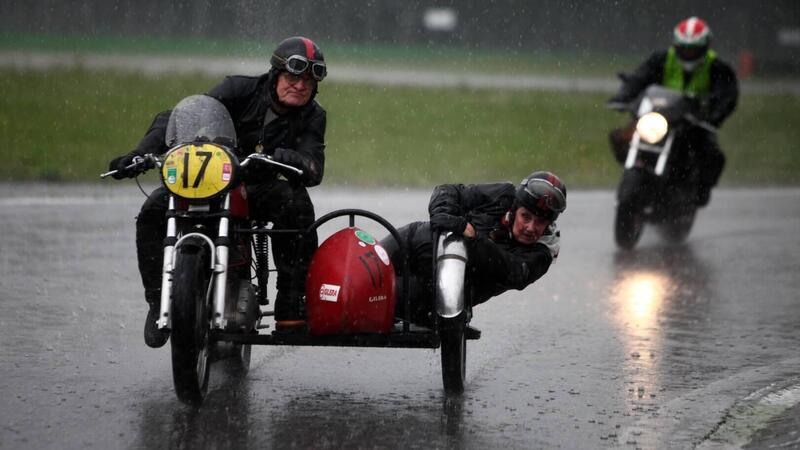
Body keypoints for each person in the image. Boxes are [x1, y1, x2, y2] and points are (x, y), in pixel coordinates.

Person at [108, 36, 328, 347]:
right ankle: (158, 301)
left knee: (296, 205)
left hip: (258, 183)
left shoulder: (314, 115)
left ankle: (290, 307)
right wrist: (140, 153)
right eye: (293, 76)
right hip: (211, 176)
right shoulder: (239, 89)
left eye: (308, 79)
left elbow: (313, 165)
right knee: (152, 211)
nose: (300, 85)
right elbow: (180, 117)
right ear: (275, 74)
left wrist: (283, 157)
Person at [380, 171, 566, 326]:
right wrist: (444, 214)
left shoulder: (543, 252)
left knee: (373, 294)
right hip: (417, 241)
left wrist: (474, 239)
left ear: (549, 224)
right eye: (526, 216)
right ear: (515, 209)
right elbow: (449, 191)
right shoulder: (503, 194)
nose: (530, 227)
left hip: (442, 289)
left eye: (540, 222)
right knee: (364, 269)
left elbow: (515, 273)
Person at [606, 16, 739, 206]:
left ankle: (698, 194)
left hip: (693, 122)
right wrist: (622, 97)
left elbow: (727, 95)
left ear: (704, 46)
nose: (688, 52)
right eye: (683, 47)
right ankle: (636, 171)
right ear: (676, 44)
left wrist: (714, 116)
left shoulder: (717, 67)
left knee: (711, 155)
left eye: (693, 48)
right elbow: (639, 78)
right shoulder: (661, 59)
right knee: (621, 137)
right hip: (658, 117)